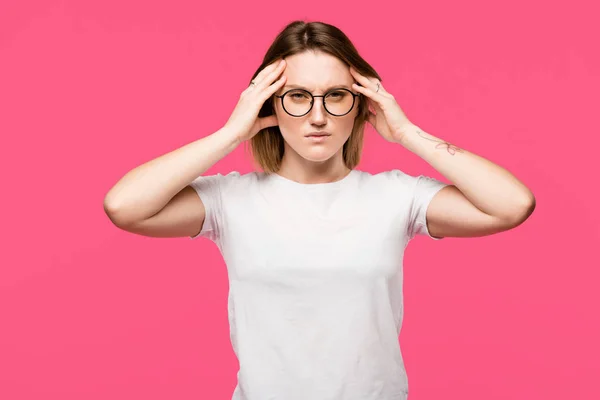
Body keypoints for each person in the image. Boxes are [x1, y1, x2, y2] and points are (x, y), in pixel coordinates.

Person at [104, 20, 535, 400]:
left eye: (336, 96)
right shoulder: (227, 200)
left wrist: (406, 132)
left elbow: (512, 205)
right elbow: (125, 206)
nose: (318, 116)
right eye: (297, 96)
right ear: (270, 103)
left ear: (361, 104)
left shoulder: (397, 197)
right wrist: (230, 134)